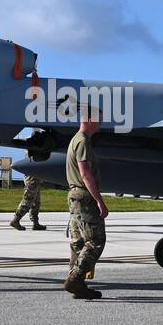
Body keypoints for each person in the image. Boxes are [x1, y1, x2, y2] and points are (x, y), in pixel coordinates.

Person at [63, 109, 107, 300]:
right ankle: (76, 278)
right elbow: (85, 173)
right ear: (89, 119)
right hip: (84, 197)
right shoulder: (83, 141)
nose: (101, 123)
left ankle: (77, 283)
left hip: (74, 196)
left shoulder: (75, 139)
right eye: (98, 119)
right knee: (96, 240)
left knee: (78, 243)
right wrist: (99, 200)